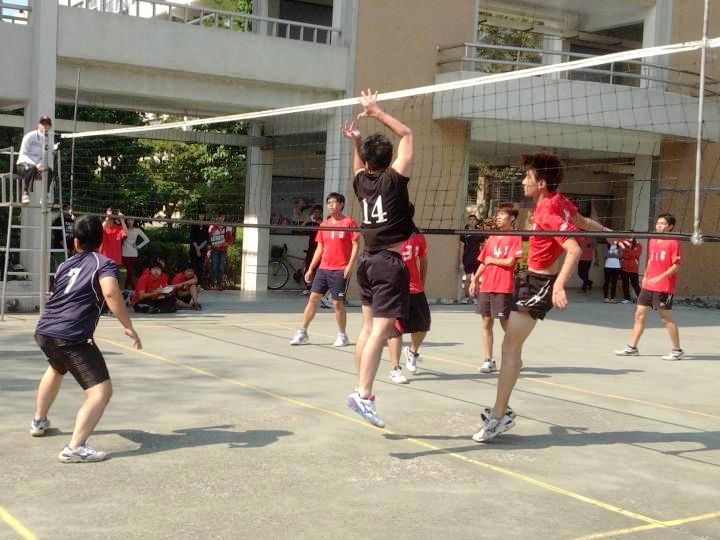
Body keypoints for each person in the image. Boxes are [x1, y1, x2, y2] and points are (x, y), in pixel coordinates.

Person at [473, 151, 620, 443]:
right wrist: (611, 233)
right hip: (530, 280)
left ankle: (500, 416)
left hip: (540, 284)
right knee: (510, 348)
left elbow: (574, 249)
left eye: (528, 177)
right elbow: (582, 221)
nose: (523, 182)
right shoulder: (558, 201)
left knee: (510, 347)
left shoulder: (546, 211)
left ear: (541, 182)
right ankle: (502, 406)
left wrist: (559, 286)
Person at [31, 215, 142, 462]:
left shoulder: (64, 265)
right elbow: (111, 292)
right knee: (101, 392)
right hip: (72, 336)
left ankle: (39, 421)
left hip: (45, 331)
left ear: (76, 242)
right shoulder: (104, 264)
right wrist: (128, 326)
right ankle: (75, 448)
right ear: (101, 241)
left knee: (56, 368)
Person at [341, 88, 414, 427]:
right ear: (388, 160)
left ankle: (361, 388)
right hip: (388, 264)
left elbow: (358, 168)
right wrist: (376, 112)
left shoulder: (362, 184)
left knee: (368, 329)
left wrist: (357, 142)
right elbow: (407, 134)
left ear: (368, 162)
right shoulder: (394, 180)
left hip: (367, 262)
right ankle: (363, 393)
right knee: (380, 333)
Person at [290, 193, 359, 347]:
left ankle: (342, 335)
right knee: (313, 299)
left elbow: (356, 245)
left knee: (337, 303)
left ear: (341, 204)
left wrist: (350, 265)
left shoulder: (349, 222)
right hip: (323, 269)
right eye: (329, 203)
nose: (330, 205)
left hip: (340, 269)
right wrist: (310, 269)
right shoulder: (324, 225)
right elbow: (320, 248)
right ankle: (302, 332)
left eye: (334, 202)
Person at [615, 213, 685, 360]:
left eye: (663, 223)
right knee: (639, 315)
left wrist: (659, 277)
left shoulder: (674, 242)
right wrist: (646, 276)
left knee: (666, 318)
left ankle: (677, 350)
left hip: (664, 287)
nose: (659, 226)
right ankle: (632, 348)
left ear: (670, 227)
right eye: (658, 223)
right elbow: (651, 259)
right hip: (649, 286)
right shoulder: (653, 240)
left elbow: (676, 266)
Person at [469, 204, 524, 374]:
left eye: (502, 214)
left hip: (503, 287)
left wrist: (492, 260)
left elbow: (509, 262)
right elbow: (484, 262)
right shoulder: (492, 238)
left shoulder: (515, 237)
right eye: (497, 214)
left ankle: (515, 357)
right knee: (486, 322)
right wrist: (475, 279)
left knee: (505, 324)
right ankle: (488, 360)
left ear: (511, 218)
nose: (498, 217)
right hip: (487, 286)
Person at [387, 206, 430, 384]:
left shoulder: (418, 236)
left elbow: (424, 261)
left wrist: (422, 283)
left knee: (423, 327)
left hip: (415, 289)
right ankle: (395, 368)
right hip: (396, 290)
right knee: (396, 329)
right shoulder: (389, 235)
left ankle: (412, 352)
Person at [17, 116, 52, 204]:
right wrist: (35, 165)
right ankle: (25, 193)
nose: (44, 126)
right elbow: (23, 154)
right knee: (31, 167)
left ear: (49, 127)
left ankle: (45, 195)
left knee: (49, 170)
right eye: (42, 124)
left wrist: (40, 164)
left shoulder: (49, 140)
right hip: (23, 164)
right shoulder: (30, 136)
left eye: (47, 124)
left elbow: (46, 157)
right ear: (38, 125)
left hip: (38, 166)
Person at [460, 215, 483, 303]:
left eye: (474, 220)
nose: (472, 221)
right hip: (467, 258)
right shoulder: (464, 232)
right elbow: (461, 247)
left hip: (477, 259)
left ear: (476, 222)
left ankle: (475, 297)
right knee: (468, 278)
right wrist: (460, 262)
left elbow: (482, 246)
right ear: (468, 221)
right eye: (470, 219)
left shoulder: (479, 232)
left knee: (476, 279)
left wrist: (482, 259)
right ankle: (466, 297)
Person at [301, 205, 324, 295]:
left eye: (318, 212)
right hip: (311, 248)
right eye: (315, 212)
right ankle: (308, 287)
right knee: (309, 267)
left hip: (321, 248)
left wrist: (320, 222)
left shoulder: (324, 222)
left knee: (319, 268)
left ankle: (318, 288)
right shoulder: (311, 222)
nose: (316, 214)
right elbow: (301, 229)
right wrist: (307, 220)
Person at [208, 212, 234, 290]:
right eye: (220, 217)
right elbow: (210, 239)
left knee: (221, 268)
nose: (221, 218)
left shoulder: (228, 227)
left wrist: (223, 244)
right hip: (214, 250)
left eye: (223, 217)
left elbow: (230, 240)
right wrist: (212, 246)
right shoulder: (212, 227)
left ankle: (219, 285)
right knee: (214, 267)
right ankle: (212, 284)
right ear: (217, 217)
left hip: (223, 250)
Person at [122, 218, 150, 290]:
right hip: (124, 253)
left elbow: (147, 239)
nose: (129, 221)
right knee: (130, 271)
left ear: (134, 221)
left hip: (134, 253)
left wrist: (138, 246)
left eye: (131, 220)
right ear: (126, 221)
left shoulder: (137, 230)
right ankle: (133, 288)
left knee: (130, 272)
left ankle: (127, 288)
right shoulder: (123, 228)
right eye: (128, 220)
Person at [189, 212, 210, 287]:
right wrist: (197, 249)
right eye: (200, 214)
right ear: (198, 215)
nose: (201, 216)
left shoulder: (206, 227)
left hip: (202, 250)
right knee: (193, 266)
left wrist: (200, 248)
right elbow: (192, 238)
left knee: (200, 267)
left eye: (203, 215)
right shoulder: (194, 226)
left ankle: (199, 284)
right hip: (193, 249)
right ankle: (192, 283)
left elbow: (206, 239)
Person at [620, 238, 642, 304]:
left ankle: (641, 299)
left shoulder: (639, 245)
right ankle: (627, 298)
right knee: (625, 284)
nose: (630, 238)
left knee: (635, 284)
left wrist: (628, 250)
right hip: (625, 267)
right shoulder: (624, 244)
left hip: (634, 268)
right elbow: (624, 255)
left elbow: (636, 255)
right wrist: (631, 252)